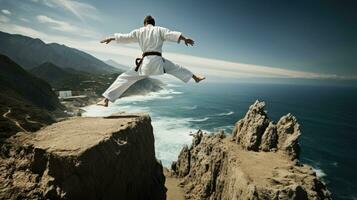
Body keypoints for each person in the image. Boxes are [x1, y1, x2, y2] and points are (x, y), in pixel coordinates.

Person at [97, 15, 205, 107]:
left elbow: (125, 37)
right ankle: (196, 78)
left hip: (145, 64)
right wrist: (185, 39)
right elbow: (173, 34)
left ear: (145, 23)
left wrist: (110, 38)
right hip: (158, 62)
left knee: (124, 78)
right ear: (153, 23)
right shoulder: (159, 29)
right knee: (176, 67)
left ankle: (106, 100)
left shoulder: (139, 31)